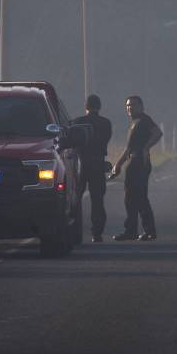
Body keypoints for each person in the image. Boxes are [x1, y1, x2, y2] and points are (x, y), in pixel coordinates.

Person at [110, 95, 162, 241]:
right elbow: (128, 148)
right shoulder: (134, 123)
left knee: (138, 197)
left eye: (132, 105)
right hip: (132, 161)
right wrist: (118, 165)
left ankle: (144, 230)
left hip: (140, 162)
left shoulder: (144, 120)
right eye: (127, 105)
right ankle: (136, 230)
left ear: (141, 106)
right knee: (131, 198)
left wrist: (146, 148)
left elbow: (158, 133)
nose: (129, 108)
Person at [73, 94, 112, 243]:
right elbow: (106, 139)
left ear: (86, 107)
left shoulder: (77, 122)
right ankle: (97, 233)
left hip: (81, 164)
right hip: (98, 163)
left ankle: (75, 230)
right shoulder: (106, 123)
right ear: (99, 106)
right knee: (98, 201)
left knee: (76, 199)